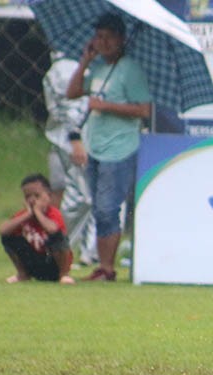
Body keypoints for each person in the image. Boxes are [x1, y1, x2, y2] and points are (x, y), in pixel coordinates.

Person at [66, 12, 152, 282]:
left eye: (107, 37)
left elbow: (143, 109)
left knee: (107, 207)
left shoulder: (130, 70)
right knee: (98, 206)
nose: (101, 42)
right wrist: (85, 61)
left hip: (120, 148)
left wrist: (105, 106)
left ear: (120, 40)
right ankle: (103, 266)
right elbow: (72, 92)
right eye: (98, 36)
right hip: (96, 147)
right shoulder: (99, 68)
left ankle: (107, 267)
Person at [43, 50, 96, 267]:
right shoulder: (65, 68)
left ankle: (89, 252)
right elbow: (69, 109)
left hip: (74, 139)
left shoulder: (61, 67)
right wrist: (75, 138)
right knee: (82, 197)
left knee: (89, 196)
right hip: (74, 142)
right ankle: (61, 250)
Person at [0, 173, 74, 284]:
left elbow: (53, 229)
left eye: (37, 196)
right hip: (35, 262)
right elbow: (3, 230)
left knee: (57, 236)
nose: (32, 200)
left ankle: (63, 275)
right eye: (28, 197)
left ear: (49, 196)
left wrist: (38, 213)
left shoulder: (53, 213)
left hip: (53, 264)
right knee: (8, 237)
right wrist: (28, 214)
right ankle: (23, 274)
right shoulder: (24, 215)